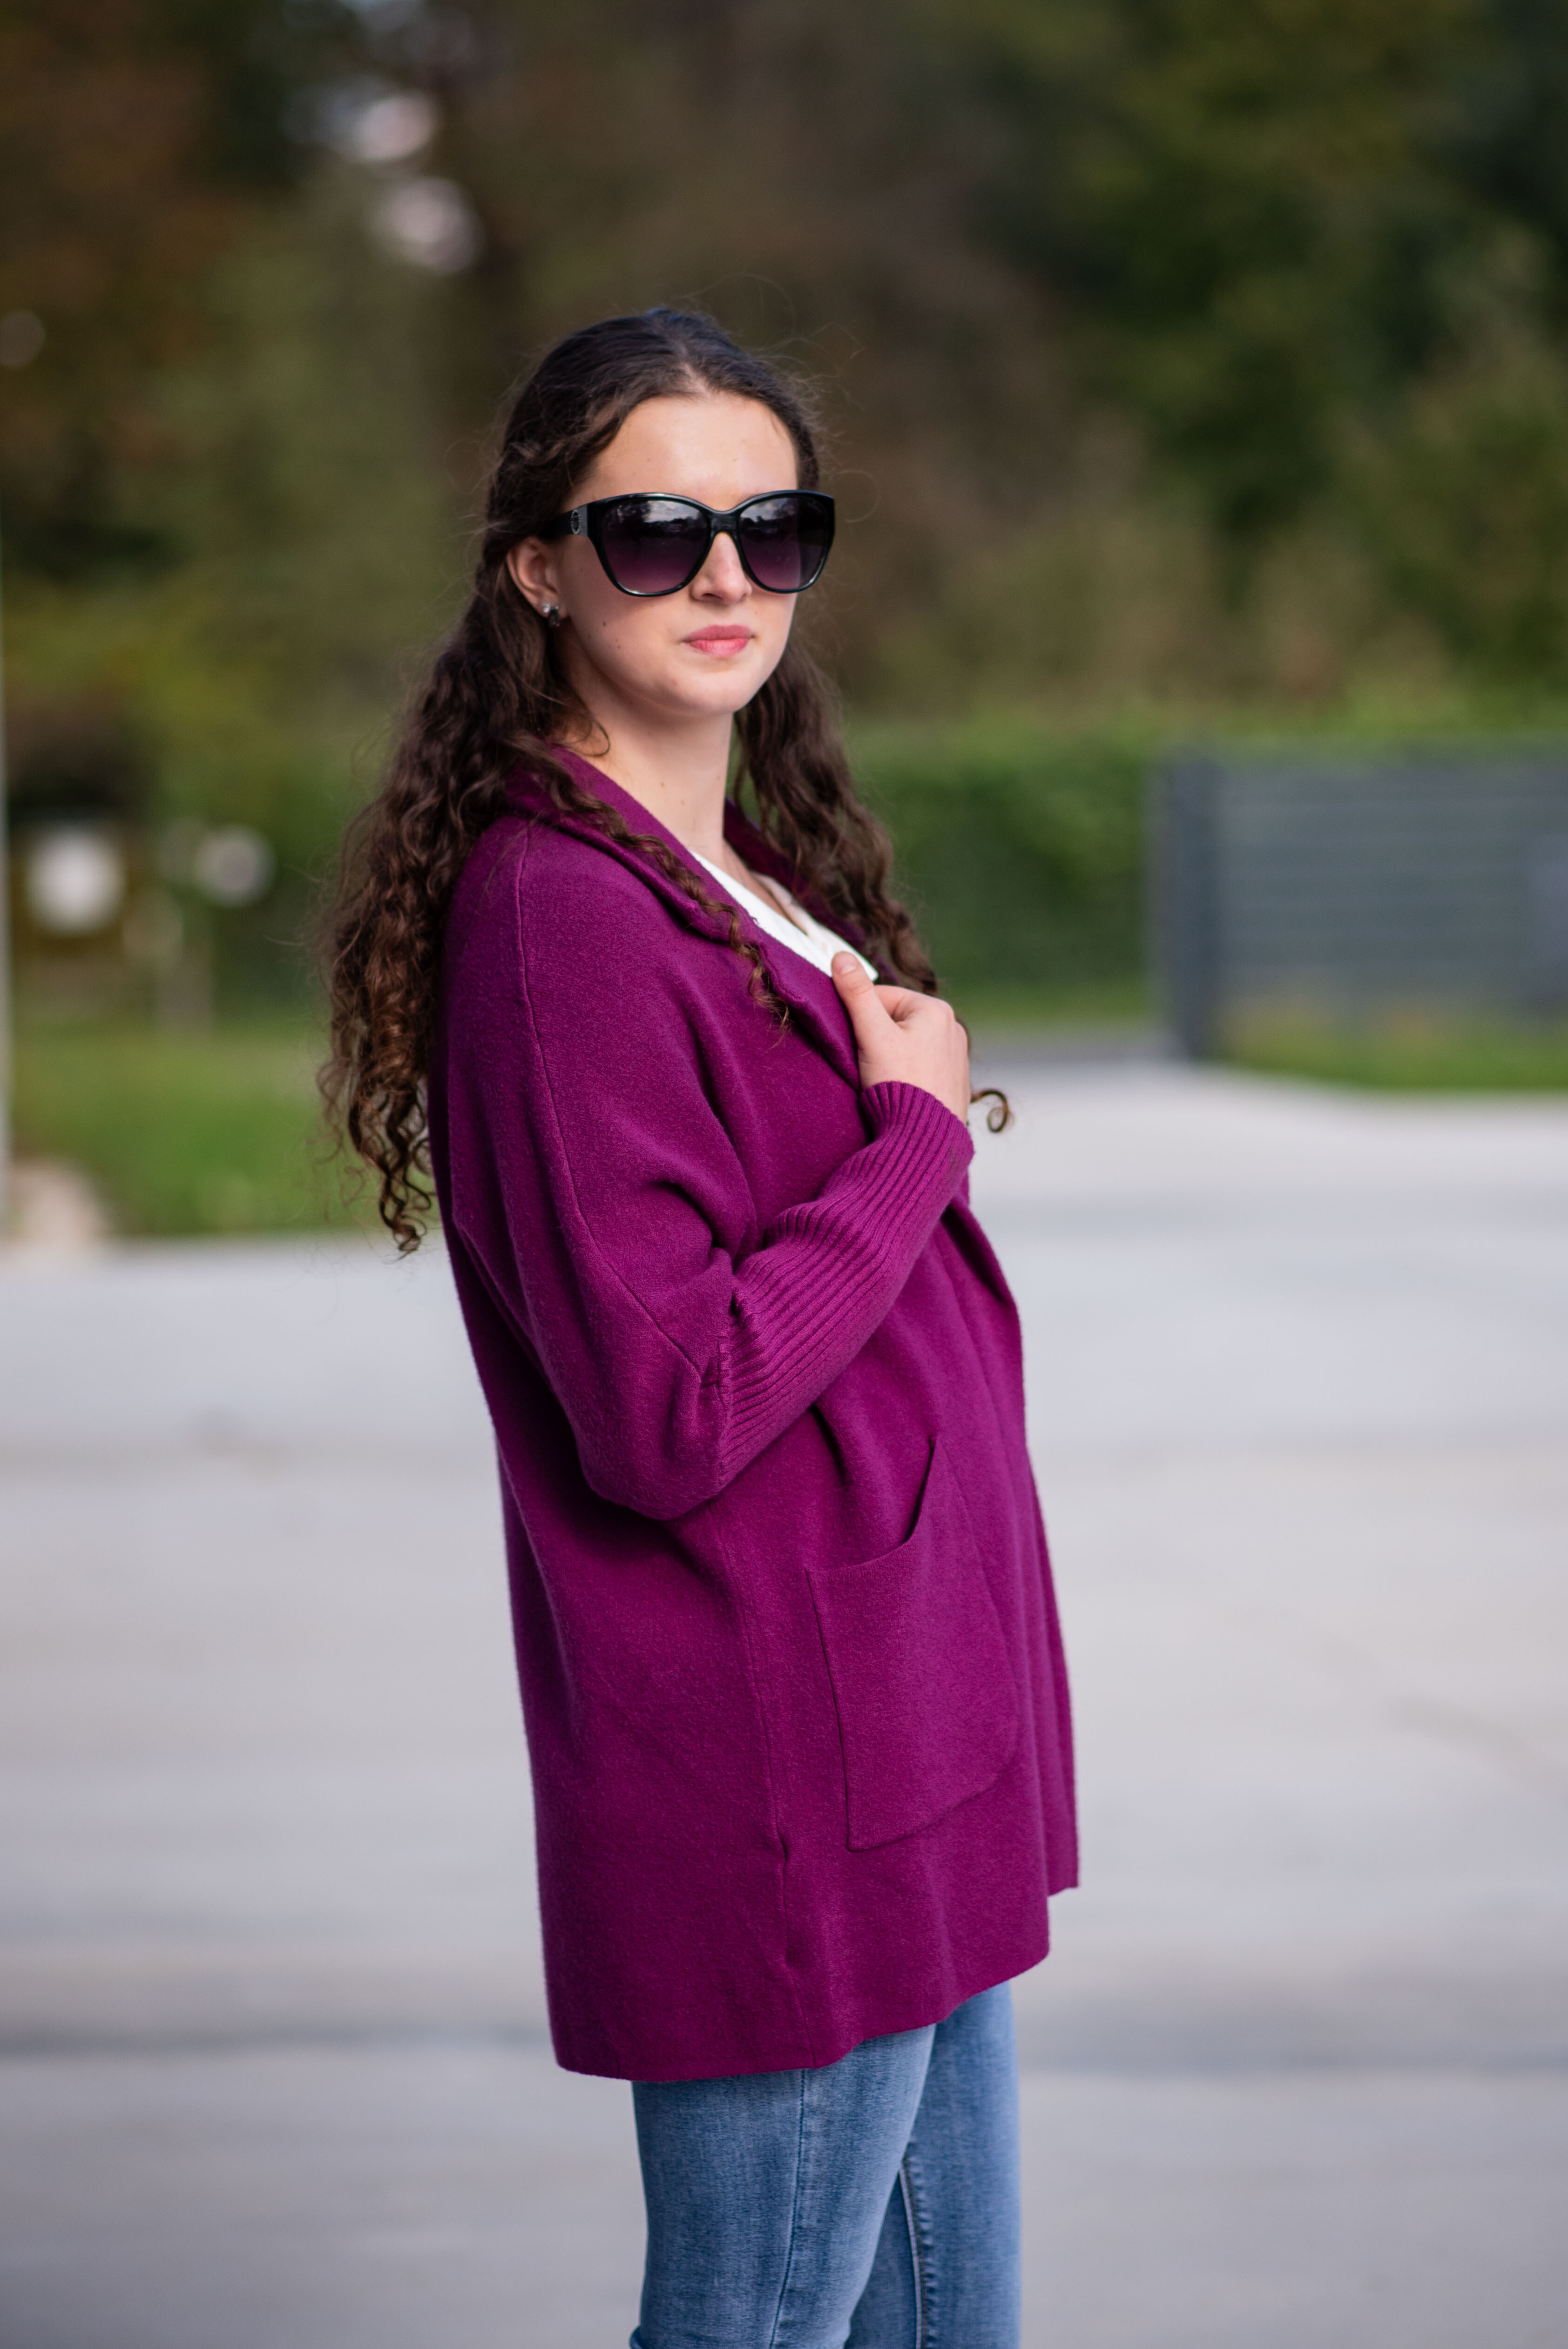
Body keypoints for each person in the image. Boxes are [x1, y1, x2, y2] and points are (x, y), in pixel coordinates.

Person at [324, 307, 1076, 2349]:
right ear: (538, 567)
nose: (724, 574)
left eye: (773, 527)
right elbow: (669, 1404)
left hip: (900, 1721)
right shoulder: (563, 920)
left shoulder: (732, 870)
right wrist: (914, 1138)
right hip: (779, 1766)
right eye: (654, 532)